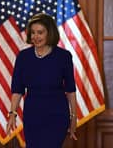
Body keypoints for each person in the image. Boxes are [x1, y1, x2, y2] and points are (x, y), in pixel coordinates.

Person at [6, 13, 77, 148]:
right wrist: (12, 114)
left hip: (57, 115)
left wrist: (73, 117)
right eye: (32, 33)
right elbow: (17, 89)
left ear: (49, 33)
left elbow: (70, 89)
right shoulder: (23, 57)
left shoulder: (64, 56)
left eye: (40, 32)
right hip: (33, 114)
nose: (35, 37)